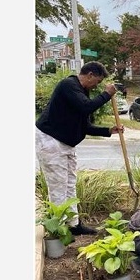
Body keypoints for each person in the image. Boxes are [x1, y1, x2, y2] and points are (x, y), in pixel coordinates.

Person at [35, 61, 123, 235]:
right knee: (58, 188)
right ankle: (59, 230)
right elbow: (86, 107)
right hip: (51, 140)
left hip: (66, 143)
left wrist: (108, 131)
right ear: (89, 75)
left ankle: (73, 225)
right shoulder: (68, 85)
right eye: (97, 81)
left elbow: (85, 126)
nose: (97, 86)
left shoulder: (82, 92)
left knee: (69, 185)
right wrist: (106, 94)